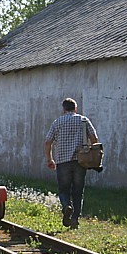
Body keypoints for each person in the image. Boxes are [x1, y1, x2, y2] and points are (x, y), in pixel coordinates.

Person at [44, 98, 98, 229]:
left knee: (64, 189)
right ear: (76, 108)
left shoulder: (57, 122)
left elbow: (48, 141)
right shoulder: (84, 120)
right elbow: (94, 139)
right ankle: (75, 220)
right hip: (81, 161)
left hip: (63, 161)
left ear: (63, 109)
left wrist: (49, 159)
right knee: (78, 191)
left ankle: (66, 205)